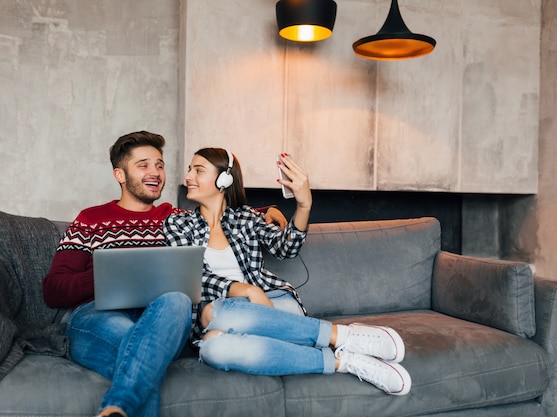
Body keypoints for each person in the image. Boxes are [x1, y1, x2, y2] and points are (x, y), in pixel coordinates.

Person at [42, 132, 287, 417]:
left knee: (177, 300)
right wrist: (113, 273)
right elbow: (53, 290)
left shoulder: (174, 218)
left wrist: (268, 210)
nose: (155, 173)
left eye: (159, 165)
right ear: (120, 175)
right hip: (98, 314)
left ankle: (116, 407)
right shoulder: (90, 219)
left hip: (163, 316)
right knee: (142, 349)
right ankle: (118, 406)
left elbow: (221, 214)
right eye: (143, 165)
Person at [163, 148, 412, 396]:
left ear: (223, 179)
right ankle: (345, 358)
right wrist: (245, 290)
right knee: (212, 347)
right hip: (224, 312)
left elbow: (286, 248)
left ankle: (340, 337)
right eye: (189, 170)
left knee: (218, 318)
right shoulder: (177, 223)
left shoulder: (247, 219)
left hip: (274, 304)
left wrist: (304, 205)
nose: (188, 177)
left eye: (198, 170)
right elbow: (193, 275)